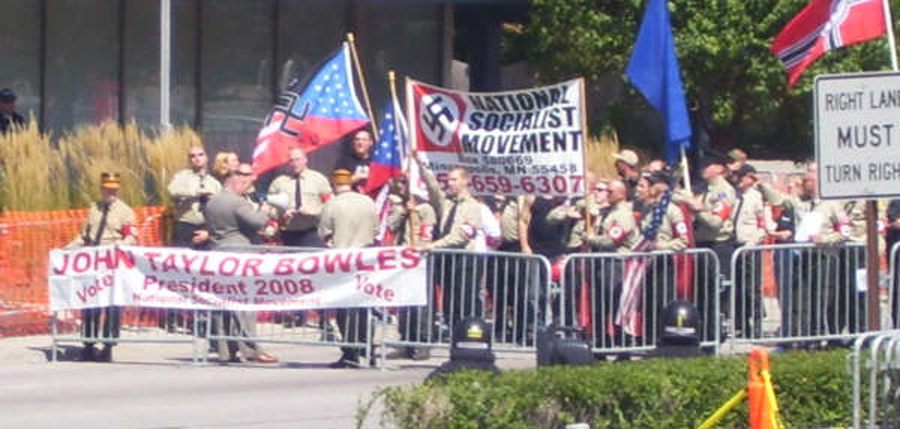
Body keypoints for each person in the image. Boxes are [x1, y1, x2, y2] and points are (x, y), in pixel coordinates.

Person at [757, 165, 851, 341]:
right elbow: (779, 200)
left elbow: (845, 232)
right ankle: (808, 337)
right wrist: (763, 185)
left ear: (817, 183)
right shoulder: (799, 202)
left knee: (824, 298)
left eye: (807, 180)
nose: (803, 183)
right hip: (803, 257)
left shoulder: (831, 204)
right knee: (804, 297)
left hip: (824, 256)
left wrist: (824, 238)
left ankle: (829, 336)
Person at [203, 163, 278, 364]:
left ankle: (224, 350)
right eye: (243, 181)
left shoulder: (211, 202)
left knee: (223, 304)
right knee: (244, 304)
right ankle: (251, 349)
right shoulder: (237, 202)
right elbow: (257, 222)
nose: (246, 185)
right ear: (233, 180)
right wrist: (265, 210)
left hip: (218, 255)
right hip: (240, 257)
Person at [68, 172, 138, 362]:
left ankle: (108, 346)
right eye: (108, 188)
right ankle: (88, 344)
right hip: (93, 260)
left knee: (112, 305)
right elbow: (84, 236)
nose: (111, 192)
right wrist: (66, 250)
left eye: (114, 189)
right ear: (102, 189)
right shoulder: (94, 209)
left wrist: (123, 243)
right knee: (90, 302)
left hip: (113, 262)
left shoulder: (125, 211)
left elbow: (132, 236)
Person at [413, 155, 483, 331]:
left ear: (465, 181)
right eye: (448, 180)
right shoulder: (446, 203)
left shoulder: (473, 206)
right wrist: (421, 166)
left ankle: (463, 330)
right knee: (448, 297)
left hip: (464, 259)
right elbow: (433, 188)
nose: (450, 183)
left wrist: (434, 245)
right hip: (446, 259)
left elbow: (461, 236)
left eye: (454, 180)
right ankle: (451, 328)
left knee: (463, 298)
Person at [317, 169, 378, 368]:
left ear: (334, 184)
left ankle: (350, 351)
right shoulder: (368, 202)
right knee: (364, 306)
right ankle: (368, 348)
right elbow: (376, 229)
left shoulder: (332, 205)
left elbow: (323, 232)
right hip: (365, 258)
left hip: (343, 260)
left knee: (344, 307)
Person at [678, 153, 737, 342]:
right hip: (702, 244)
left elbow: (715, 222)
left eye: (708, 164)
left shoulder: (724, 191)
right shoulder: (703, 190)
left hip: (718, 246)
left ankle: (714, 336)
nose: (704, 168)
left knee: (715, 294)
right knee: (701, 294)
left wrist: (697, 209)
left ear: (719, 168)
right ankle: (703, 335)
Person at [386, 175, 436, 359]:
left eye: (404, 182)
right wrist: (402, 211)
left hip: (420, 259)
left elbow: (427, 234)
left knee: (422, 302)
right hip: (404, 259)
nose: (400, 186)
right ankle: (405, 338)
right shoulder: (400, 208)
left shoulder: (425, 208)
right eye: (398, 182)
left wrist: (414, 213)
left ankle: (423, 341)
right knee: (405, 301)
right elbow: (391, 226)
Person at [267, 147, 332, 247]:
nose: (294, 163)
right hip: (287, 234)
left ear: (305, 159)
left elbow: (330, 206)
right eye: (291, 160)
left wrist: (313, 212)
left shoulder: (318, 180)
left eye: (297, 159)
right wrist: (281, 214)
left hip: (311, 232)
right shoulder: (279, 182)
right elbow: (268, 207)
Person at [730, 164, 766, 338]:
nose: (738, 180)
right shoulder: (733, 196)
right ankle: (741, 324)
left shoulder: (756, 197)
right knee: (737, 289)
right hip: (735, 245)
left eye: (742, 176)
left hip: (750, 247)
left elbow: (762, 225)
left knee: (752, 289)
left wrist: (751, 244)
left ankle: (757, 321)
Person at [167, 146, 221, 250]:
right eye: (193, 156)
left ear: (206, 157)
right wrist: (195, 192)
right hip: (185, 226)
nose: (197, 158)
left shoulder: (214, 183)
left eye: (200, 154)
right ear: (189, 160)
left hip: (206, 227)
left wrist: (209, 232)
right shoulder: (182, 176)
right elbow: (172, 190)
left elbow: (220, 210)